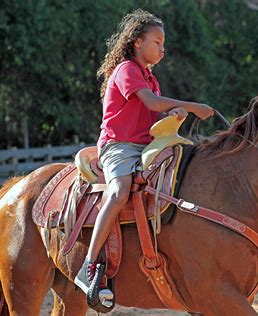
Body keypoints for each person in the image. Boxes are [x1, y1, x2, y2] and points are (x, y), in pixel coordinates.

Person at [74, 9, 214, 307]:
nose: (162, 48)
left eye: (164, 43)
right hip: (119, 146)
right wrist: (190, 105)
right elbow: (150, 102)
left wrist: (172, 113)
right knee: (120, 190)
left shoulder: (150, 77)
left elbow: (152, 111)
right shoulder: (127, 69)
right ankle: (88, 265)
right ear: (137, 41)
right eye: (157, 41)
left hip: (145, 145)